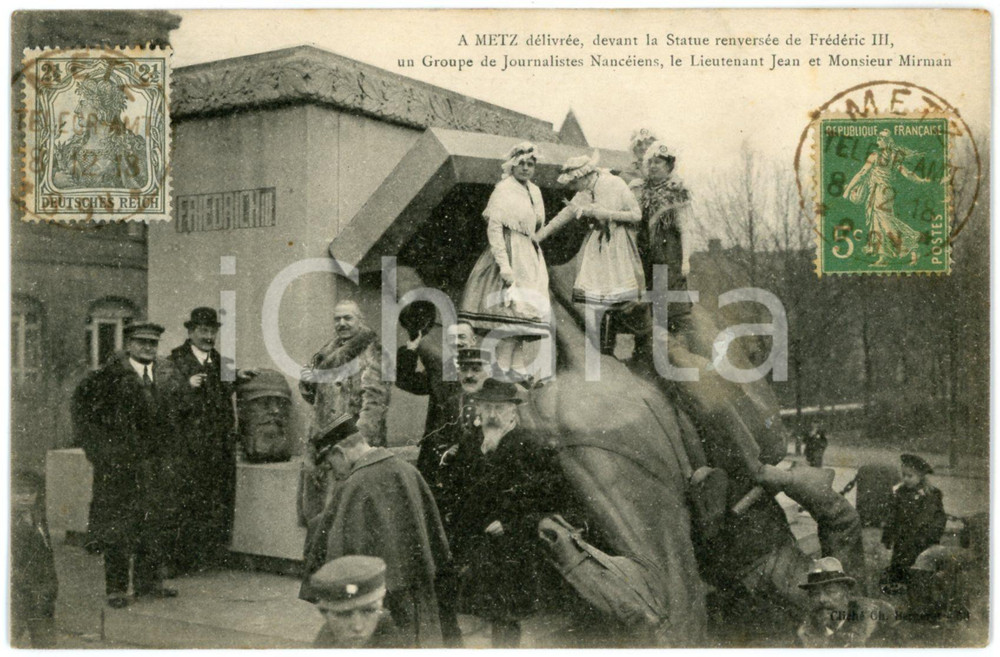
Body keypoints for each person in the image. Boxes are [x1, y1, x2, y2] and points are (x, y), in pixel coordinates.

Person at [445, 379, 582, 647]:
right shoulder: (470, 443)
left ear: (512, 411)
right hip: (476, 543)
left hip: (512, 547)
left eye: (499, 408)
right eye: (487, 407)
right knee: (473, 613)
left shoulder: (529, 445)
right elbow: (459, 491)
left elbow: (551, 499)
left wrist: (511, 523)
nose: (492, 415)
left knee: (505, 618)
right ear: (478, 409)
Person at [301, 414, 454, 647]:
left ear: (339, 453)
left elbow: (339, 558)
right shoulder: (408, 470)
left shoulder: (354, 485)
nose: (335, 474)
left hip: (377, 605)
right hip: (418, 598)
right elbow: (437, 543)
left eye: (331, 466)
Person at [72, 321, 179, 608]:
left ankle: (148, 583)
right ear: (129, 344)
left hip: (154, 467)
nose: (148, 348)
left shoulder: (164, 377)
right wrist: (101, 454)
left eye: (152, 343)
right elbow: (83, 417)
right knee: (117, 527)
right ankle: (117, 589)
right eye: (141, 342)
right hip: (118, 468)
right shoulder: (106, 378)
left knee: (152, 523)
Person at [535, 152, 645, 354]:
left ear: (585, 176)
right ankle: (603, 346)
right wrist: (540, 235)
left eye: (574, 182)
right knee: (598, 294)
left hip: (617, 242)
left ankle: (626, 342)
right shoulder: (586, 189)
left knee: (618, 294)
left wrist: (606, 214)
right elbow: (565, 214)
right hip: (599, 242)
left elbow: (636, 215)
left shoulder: (613, 183)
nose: (572, 187)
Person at [459, 142, 550, 376]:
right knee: (508, 315)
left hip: (528, 254)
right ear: (512, 165)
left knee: (524, 318)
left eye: (530, 164)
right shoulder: (503, 189)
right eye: (521, 164)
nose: (526, 168)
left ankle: (516, 367)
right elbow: (494, 228)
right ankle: (500, 368)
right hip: (508, 253)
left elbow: (537, 225)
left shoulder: (534, 191)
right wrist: (505, 266)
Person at [299, 300, 391, 523]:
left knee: (353, 517)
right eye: (337, 319)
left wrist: (356, 447)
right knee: (321, 519)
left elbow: (375, 403)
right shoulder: (326, 354)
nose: (342, 323)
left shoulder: (374, 352)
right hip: (322, 446)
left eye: (348, 318)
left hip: (352, 445)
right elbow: (315, 398)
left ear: (360, 321)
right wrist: (308, 382)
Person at [167, 307, 237, 573]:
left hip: (218, 447)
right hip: (188, 447)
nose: (209, 337)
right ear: (191, 332)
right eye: (204, 331)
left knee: (216, 500)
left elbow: (227, 392)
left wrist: (239, 377)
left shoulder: (222, 362)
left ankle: (210, 557)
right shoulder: (175, 361)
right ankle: (180, 561)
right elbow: (166, 399)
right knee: (186, 501)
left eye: (212, 331)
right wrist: (187, 385)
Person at [843, 129, 932, 267]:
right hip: (886, 192)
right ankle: (883, 256)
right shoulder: (894, 156)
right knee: (879, 222)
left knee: (885, 223)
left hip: (880, 191)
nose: (877, 141)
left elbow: (861, 173)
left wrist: (848, 190)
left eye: (880, 139)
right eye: (877, 138)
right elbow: (907, 173)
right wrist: (921, 181)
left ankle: (912, 243)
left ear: (886, 141)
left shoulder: (875, 156)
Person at [53, 78, 147, 189]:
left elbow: (137, 191)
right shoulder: (72, 147)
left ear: (101, 110)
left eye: (83, 104)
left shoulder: (127, 148)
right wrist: (55, 181)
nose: (77, 110)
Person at [880, 453, 946, 592]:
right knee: (899, 563)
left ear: (920, 476)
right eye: (903, 475)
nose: (905, 479)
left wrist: (931, 536)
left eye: (910, 476)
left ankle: (916, 580)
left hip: (921, 539)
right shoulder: (900, 493)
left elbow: (937, 518)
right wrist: (888, 536)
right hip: (902, 538)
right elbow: (893, 515)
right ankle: (899, 580)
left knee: (919, 564)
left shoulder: (931, 494)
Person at [306, 555, 403, 648]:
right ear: (324, 613)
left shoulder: (402, 641)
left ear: (381, 603)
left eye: (369, 610)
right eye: (344, 614)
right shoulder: (325, 639)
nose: (358, 627)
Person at [797, 557, 897, 647]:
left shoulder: (875, 627)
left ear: (847, 594)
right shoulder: (804, 636)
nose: (822, 599)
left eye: (830, 591)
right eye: (815, 594)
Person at [10, 469, 58, 648]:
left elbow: (47, 552)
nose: (26, 497)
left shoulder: (37, 517)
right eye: (20, 492)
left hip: (41, 588)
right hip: (17, 588)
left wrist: (51, 583)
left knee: (44, 638)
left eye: (31, 492)